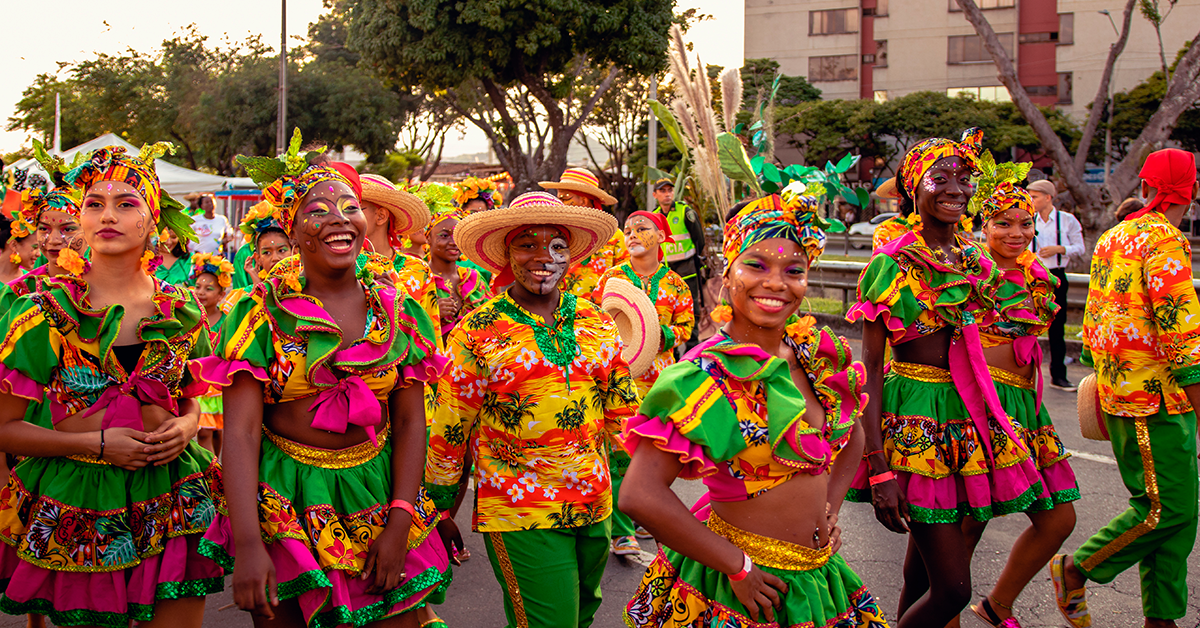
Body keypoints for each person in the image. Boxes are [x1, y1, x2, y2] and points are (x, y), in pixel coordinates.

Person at [193, 133, 454, 627]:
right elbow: (243, 433)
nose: (337, 216)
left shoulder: (400, 311)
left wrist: (399, 521)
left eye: (349, 206)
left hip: (374, 490)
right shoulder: (258, 314)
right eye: (318, 209)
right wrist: (248, 542)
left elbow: (410, 423)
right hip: (284, 499)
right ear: (293, 231)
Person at [619, 190, 887, 628]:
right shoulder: (705, 375)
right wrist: (735, 565)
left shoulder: (817, 356)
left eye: (794, 270)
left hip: (817, 576)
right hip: (740, 582)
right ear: (727, 276)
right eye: (757, 266)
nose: (777, 283)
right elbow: (640, 495)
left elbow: (852, 435)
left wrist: (830, 509)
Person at [0, 142, 223, 628]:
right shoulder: (44, 311)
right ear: (79, 220)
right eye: (94, 204)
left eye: (127, 204)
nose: (109, 216)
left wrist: (187, 427)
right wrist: (97, 445)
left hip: (175, 491)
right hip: (81, 494)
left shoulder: (183, 309)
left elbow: (192, 399)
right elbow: (4, 430)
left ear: (152, 219)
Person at [845, 129, 1043, 628]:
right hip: (914, 422)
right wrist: (878, 465)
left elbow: (1004, 327)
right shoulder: (892, 262)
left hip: (964, 421)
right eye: (941, 177)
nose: (955, 187)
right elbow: (867, 367)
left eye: (963, 176)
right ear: (914, 187)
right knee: (954, 590)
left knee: (919, 575)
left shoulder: (973, 259)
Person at [426, 191, 640, 628]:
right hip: (519, 511)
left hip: (594, 504)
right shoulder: (478, 330)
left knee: (580, 617)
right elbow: (451, 429)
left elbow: (624, 415)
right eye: (527, 244)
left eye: (557, 245)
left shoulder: (595, 321)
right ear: (506, 254)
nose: (544, 256)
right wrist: (439, 510)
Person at [1051, 148, 1200, 628]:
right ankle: (1077, 568)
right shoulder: (1167, 241)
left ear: (1145, 186)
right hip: (1156, 400)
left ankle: (1162, 618)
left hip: (1122, 395)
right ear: (1190, 193)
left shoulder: (1115, 236)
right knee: (1167, 511)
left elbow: (1095, 320)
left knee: (1174, 514)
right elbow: (1182, 334)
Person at [958, 168, 1079, 627]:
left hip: (1027, 409)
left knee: (1058, 519)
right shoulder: (967, 272)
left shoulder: (1038, 277)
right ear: (982, 225)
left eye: (1025, 223)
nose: (1016, 233)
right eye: (1002, 223)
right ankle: (944, 609)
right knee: (968, 522)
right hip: (979, 407)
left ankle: (998, 602)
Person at [593, 210, 694, 557]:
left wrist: (659, 334)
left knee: (655, 450)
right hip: (618, 378)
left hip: (659, 380)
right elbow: (592, 320)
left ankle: (642, 511)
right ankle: (622, 531)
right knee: (620, 451)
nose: (632, 235)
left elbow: (685, 327)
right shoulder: (610, 279)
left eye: (642, 229)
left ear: (661, 238)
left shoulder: (676, 285)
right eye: (628, 230)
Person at [1028, 178, 1084, 391]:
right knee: (1027, 324)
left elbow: (1080, 247)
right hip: (1032, 276)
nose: (1031, 201)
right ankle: (1026, 374)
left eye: (1034, 197)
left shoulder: (1066, 220)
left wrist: (1060, 249)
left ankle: (1058, 375)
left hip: (1057, 275)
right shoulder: (1028, 219)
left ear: (1048, 197)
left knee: (1057, 327)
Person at [541, 167, 628, 303]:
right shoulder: (554, 233)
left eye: (565, 198)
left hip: (601, 315)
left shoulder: (614, 235)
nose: (560, 203)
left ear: (583, 200)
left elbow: (625, 276)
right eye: (559, 198)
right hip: (559, 312)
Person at [651, 178, 708, 350]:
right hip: (665, 271)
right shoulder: (654, 215)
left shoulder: (685, 211)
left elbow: (699, 239)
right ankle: (672, 350)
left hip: (687, 268)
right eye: (662, 191)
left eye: (669, 190)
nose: (667, 194)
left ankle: (692, 348)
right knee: (667, 310)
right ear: (655, 195)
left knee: (691, 308)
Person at [426, 196, 489, 342]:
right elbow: (402, 328)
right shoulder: (417, 279)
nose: (453, 242)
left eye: (457, 235)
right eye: (444, 236)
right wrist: (431, 314)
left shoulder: (474, 278)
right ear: (428, 237)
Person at [190, 252, 234, 456]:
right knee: (205, 432)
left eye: (209, 289)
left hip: (220, 384)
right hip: (200, 383)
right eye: (197, 287)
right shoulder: (191, 316)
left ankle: (218, 468)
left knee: (219, 431)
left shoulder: (227, 319)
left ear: (221, 294)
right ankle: (209, 473)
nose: (201, 292)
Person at [452, 176, 504, 287]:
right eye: (472, 212)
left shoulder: (492, 247)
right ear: (461, 212)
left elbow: (496, 288)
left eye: (481, 213)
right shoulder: (449, 242)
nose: (476, 217)